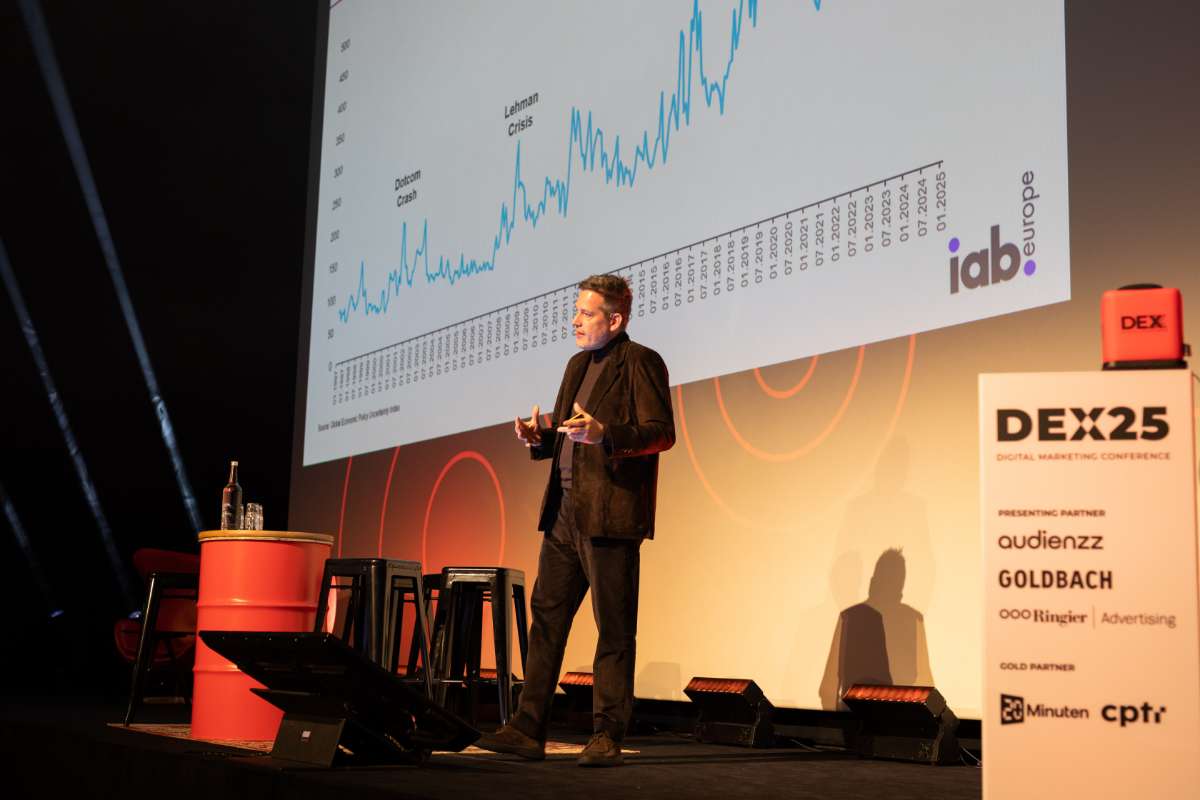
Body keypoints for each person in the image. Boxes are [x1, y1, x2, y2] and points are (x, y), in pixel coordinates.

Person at [476, 274, 674, 767]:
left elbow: (661, 433)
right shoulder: (576, 365)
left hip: (610, 515)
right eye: (576, 311)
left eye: (586, 313)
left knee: (613, 629)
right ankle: (528, 728)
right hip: (564, 511)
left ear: (615, 319)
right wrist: (539, 438)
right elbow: (570, 433)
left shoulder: (641, 362)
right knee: (547, 620)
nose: (574, 321)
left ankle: (607, 735)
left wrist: (607, 433)